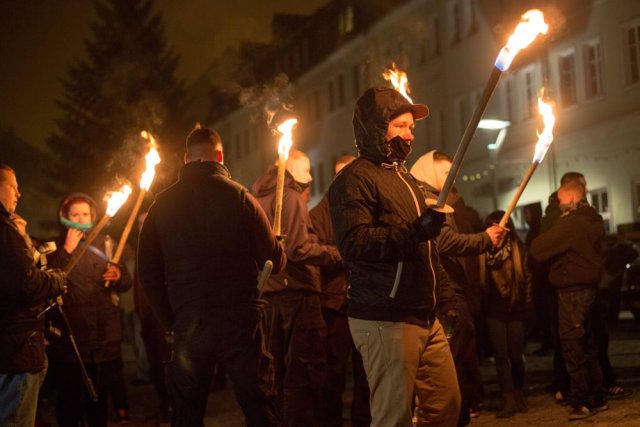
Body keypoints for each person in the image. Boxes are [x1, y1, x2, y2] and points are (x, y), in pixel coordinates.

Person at [328, 87, 460, 426]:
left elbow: (427, 249)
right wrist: (417, 229)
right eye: (401, 125)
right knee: (393, 417)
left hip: (423, 313)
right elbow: (356, 244)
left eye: (411, 127)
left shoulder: (404, 177)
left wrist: (445, 298)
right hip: (385, 316)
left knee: (445, 405)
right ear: (377, 128)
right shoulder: (353, 180)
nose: (409, 133)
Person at [138, 127, 286, 427]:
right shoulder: (240, 196)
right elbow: (273, 260)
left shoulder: (160, 205)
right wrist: (277, 245)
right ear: (219, 155)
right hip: (240, 321)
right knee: (258, 406)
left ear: (185, 158)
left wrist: (170, 319)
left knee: (188, 413)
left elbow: (147, 271)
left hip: (190, 321)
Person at [410, 150, 504, 426]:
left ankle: (459, 414)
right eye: (445, 173)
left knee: (460, 357)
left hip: (452, 290)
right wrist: (484, 239)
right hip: (444, 292)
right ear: (429, 172)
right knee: (452, 360)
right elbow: (445, 242)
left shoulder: (438, 199)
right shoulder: (427, 201)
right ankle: (455, 418)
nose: (451, 179)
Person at [252, 148, 342, 427]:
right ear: (294, 170)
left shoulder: (256, 198)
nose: (312, 177)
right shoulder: (289, 196)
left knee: (276, 372)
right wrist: (338, 255)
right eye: (308, 170)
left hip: (271, 295)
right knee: (303, 372)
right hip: (297, 292)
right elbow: (298, 249)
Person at [46, 192, 132, 427]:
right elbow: (48, 282)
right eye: (75, 214)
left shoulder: (107, 244)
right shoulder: (55, 247)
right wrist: (66, 251)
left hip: (102, 338)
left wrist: (118, 276)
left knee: (97, 402)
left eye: (85, 214)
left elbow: (127, 282)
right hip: (70, 341)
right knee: (69, 403)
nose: (81, 219)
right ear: (65, 217)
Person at [530, 180, 606, 421]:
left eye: (561, 201)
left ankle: (581, 401)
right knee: (588, 344)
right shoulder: (592, 219)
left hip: (572, 292)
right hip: (589, 289)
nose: (559, 205)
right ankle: (597, 395)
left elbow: (538, 249)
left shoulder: (571, 224)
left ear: (571, 198)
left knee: (572, 345)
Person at [0, 163, 67, 426]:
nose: (19, 194)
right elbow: (27, 283)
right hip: (14, 348)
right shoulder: (5, 232)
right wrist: (56, 279)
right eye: (14, 188)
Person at [309, 154, 371, 427]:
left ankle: (362, 420)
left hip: (365, 302)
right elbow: (314, 253)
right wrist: (346, 254)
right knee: (333, 374)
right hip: (334, 305)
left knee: (366, 372)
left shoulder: (367, 208)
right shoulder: (320, 213)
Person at [480, 211, 532, 418]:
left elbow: (527, 277)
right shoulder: (483, 251)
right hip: (493, 310)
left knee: (516, 356)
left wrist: (528, 305)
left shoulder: (517, 248)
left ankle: (518, 390)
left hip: (516, 309)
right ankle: (508, 397)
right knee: (501, 356)